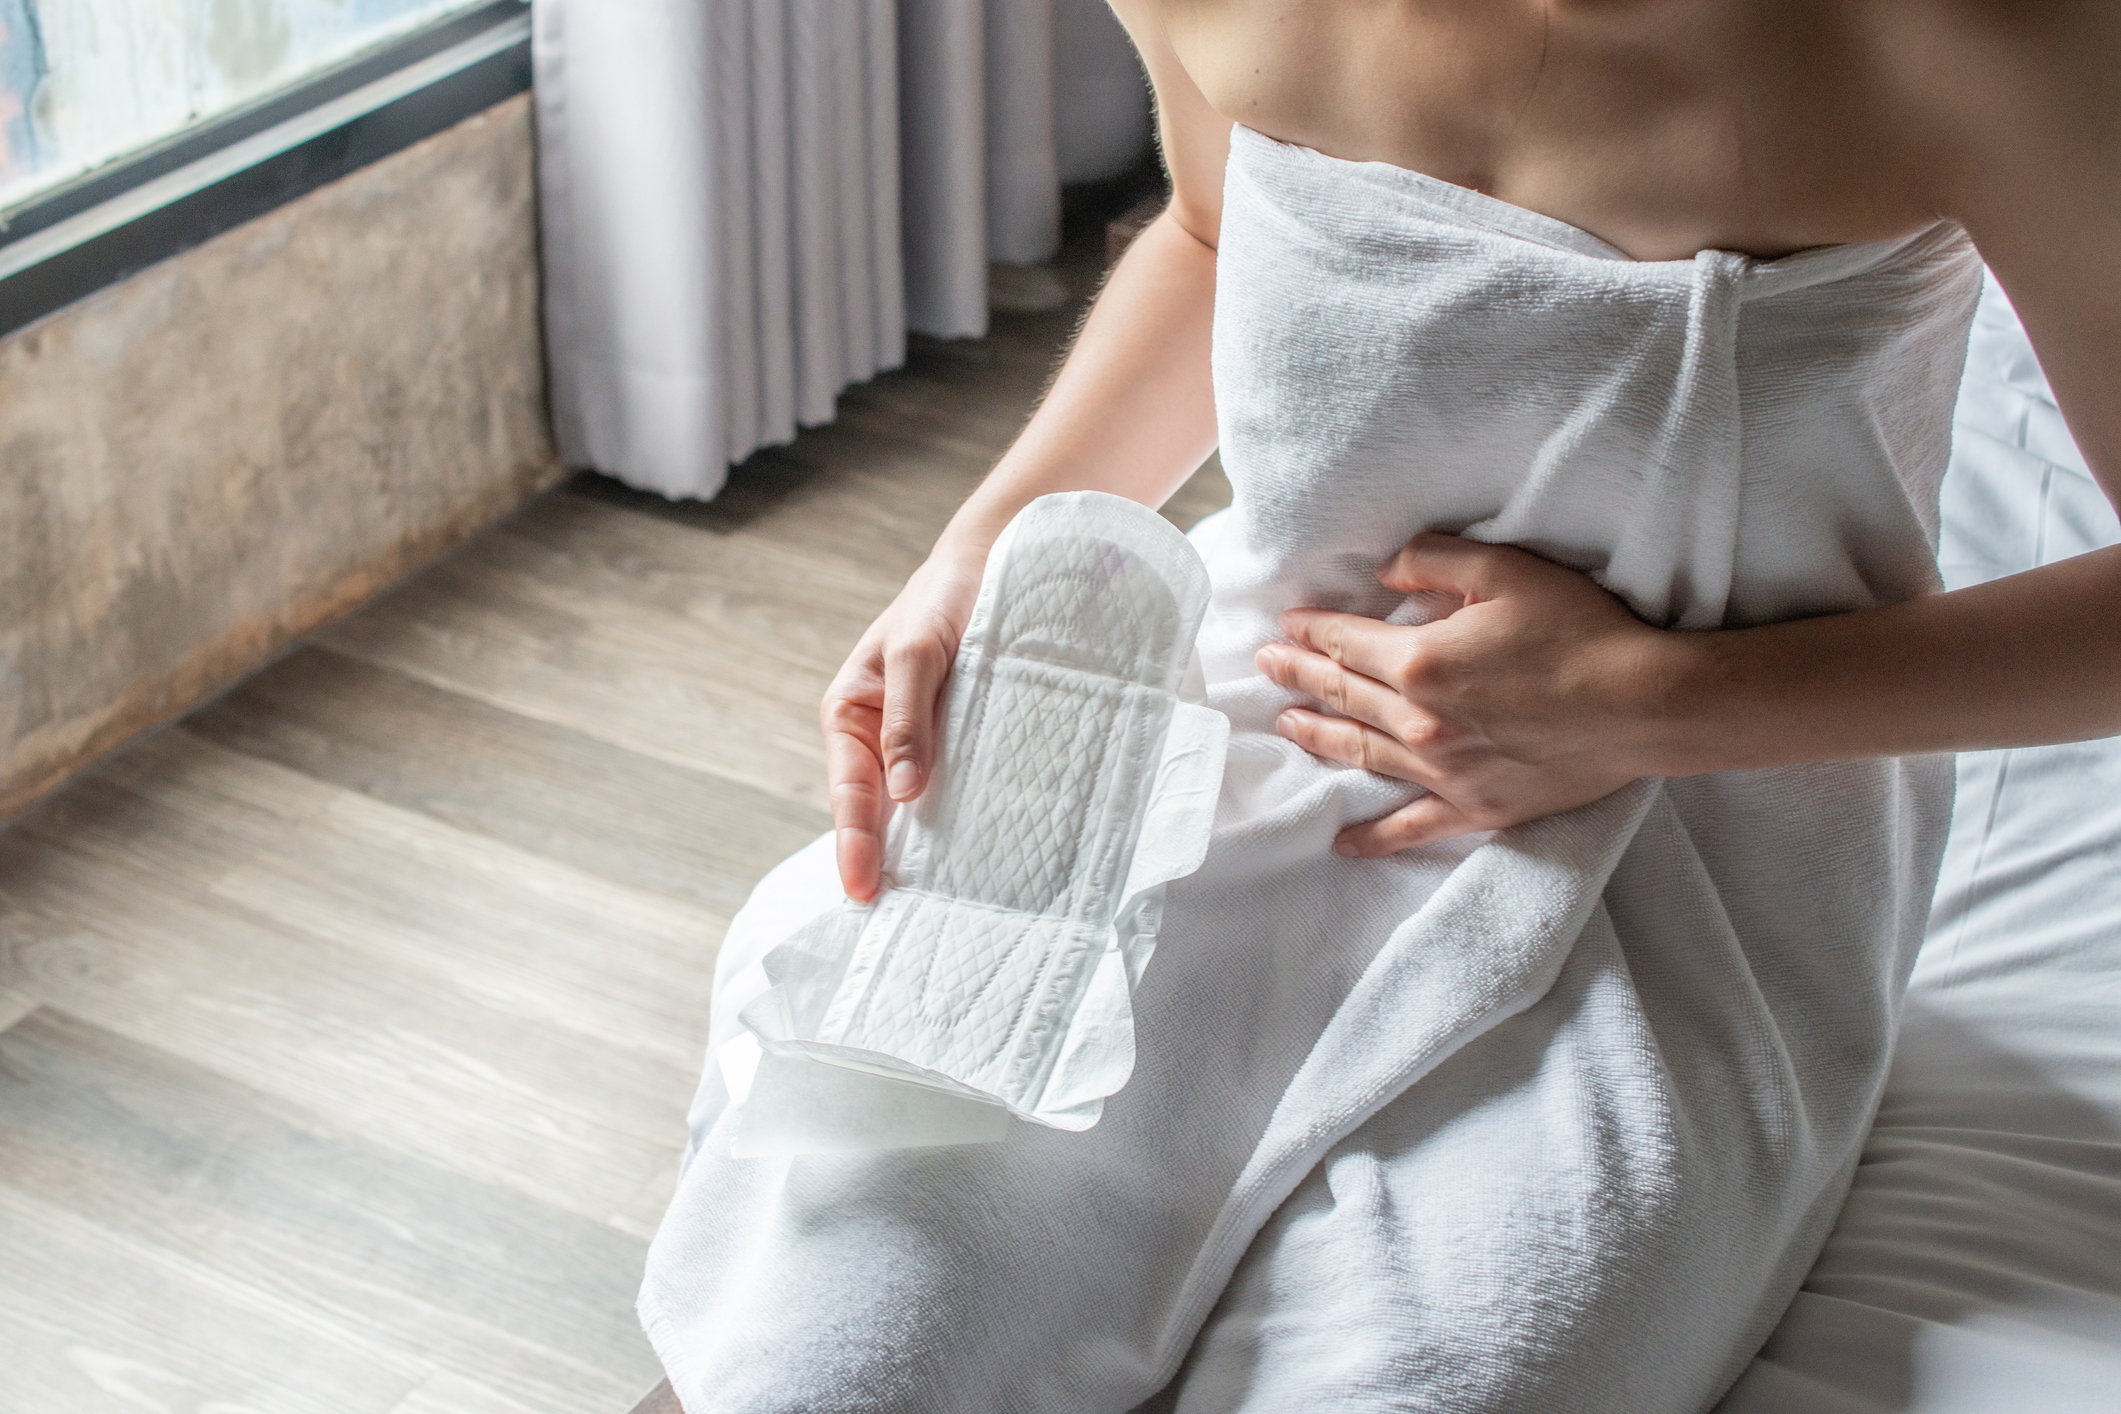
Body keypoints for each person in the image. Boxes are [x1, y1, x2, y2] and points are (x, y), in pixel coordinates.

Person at [638, 4, 2121, 1410]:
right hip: (1254, 720)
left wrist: (1657, 702)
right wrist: (986, 536)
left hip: (1693, 832)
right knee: (831, 1349)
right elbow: (1217, 230)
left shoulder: (1973, 29)